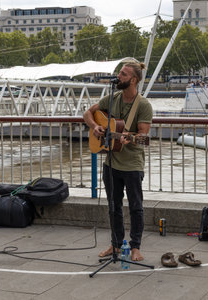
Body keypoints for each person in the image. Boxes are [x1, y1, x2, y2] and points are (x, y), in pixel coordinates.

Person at [83, 62, 153, 261]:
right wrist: (96, 126)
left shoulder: (143, 105)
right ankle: (115, 245)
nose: (118, 76)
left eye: (123, 74)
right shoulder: (112, 98)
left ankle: (135, 247)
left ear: (133, 80)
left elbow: (143, 135)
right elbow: (87, 113)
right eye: (119, 73)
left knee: (135, 206)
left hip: (131, 164)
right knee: (113, 206)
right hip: (111, 162)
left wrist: (127, 137)